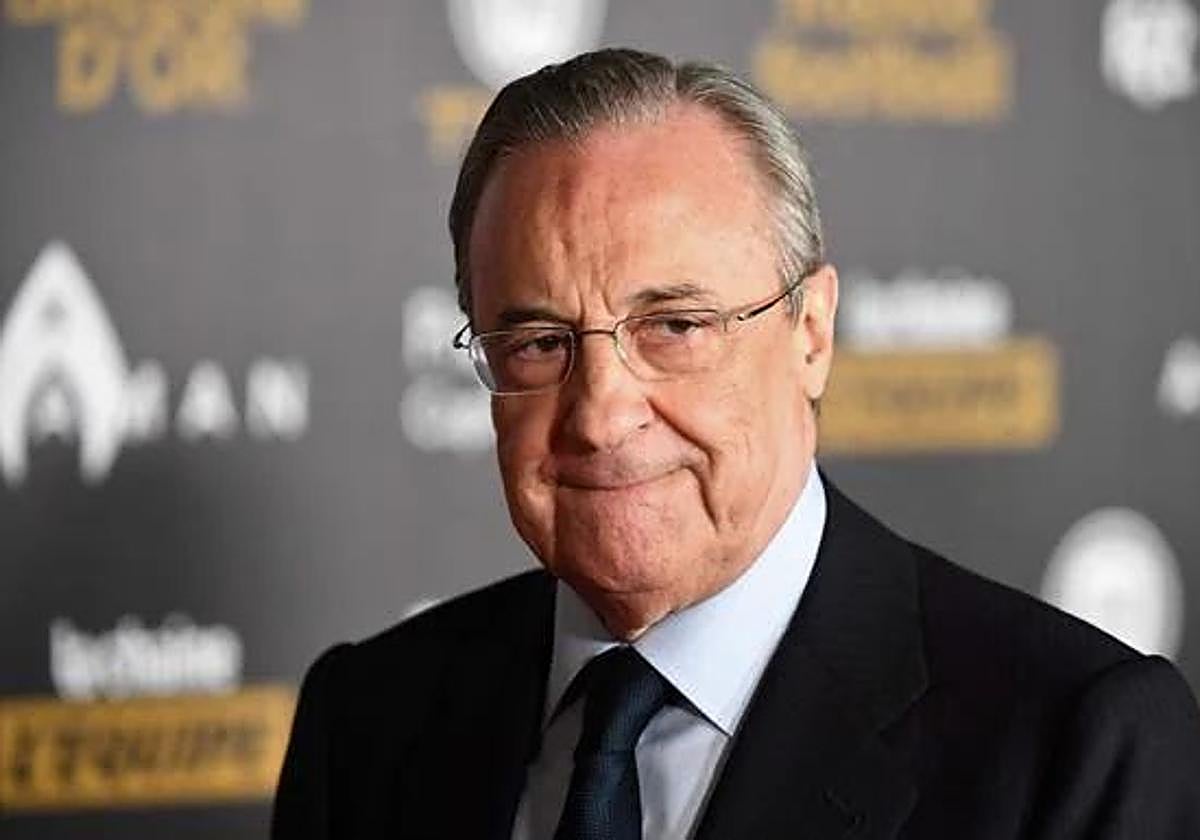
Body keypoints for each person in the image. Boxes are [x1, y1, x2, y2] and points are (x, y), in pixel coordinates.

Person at [272, 48, 1200, 839]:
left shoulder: (1075, 747)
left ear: (812, 335)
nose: (600, 414)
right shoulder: (368, 722)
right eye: (541, 343)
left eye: (675, 327)